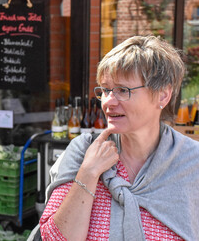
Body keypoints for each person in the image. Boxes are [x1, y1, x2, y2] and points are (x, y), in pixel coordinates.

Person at [38, 36, 199, 240]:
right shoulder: (85, 151)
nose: (108, 102)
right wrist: (88, 172)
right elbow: (55, 238)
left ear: (162, 96)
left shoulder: (192, 162)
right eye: (105, 90)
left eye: (123, 90)